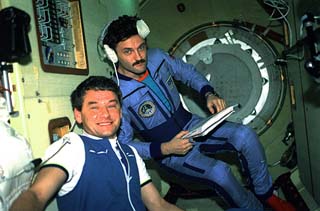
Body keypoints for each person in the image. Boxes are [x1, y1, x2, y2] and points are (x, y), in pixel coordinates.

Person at [99, 15, 296, 211]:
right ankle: (255, 208)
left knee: (246, 135)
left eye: (141, 47)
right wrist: (166, 148)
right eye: (128, 51)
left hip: (192, 125)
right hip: (170, 152)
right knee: (220, 173)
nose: (139, 56)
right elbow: (122, 146)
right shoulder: (117, 96)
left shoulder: (158, 57)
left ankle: (266, 194)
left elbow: (187, 73)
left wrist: (208, 93)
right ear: (114, 55)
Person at [10, 76, 184, 211]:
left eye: (111, 106)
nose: (106, 114)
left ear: (120, 112)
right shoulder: (73, 146)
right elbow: (37, 194)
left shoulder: (130, 153)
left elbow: (158, 205)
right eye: (94, 107)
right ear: (78, 115)